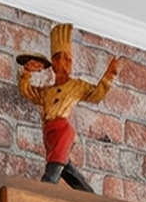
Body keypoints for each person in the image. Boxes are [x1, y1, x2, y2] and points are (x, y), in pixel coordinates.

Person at [17, 23, 120, 191]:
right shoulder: (47, 92)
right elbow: (27, 91)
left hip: (62, 130)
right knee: (65, 167)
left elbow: (96, 95)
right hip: (49, 133)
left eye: (69, 59)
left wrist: (109, 75)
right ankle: (88, 193)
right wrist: (27, 72)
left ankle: (43, 192)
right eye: (62, 58)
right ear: (55, 63)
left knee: (53, 170)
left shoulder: (76, 86)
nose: (66, 63)